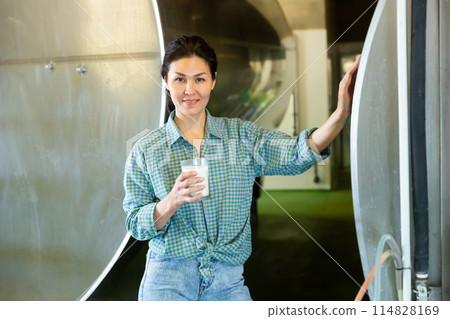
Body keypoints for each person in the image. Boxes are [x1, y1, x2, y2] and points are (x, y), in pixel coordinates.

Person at [123, 35, 360, 301]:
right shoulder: (145, 149)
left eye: (200, 79)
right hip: (167, 282)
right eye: (180, 79)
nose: (190, 89)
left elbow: (295, 153)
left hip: (227, 282)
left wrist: (341, 114)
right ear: (165, 81)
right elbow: (135, 224)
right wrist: (171, 201)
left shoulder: (241, 137)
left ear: (213, 80)